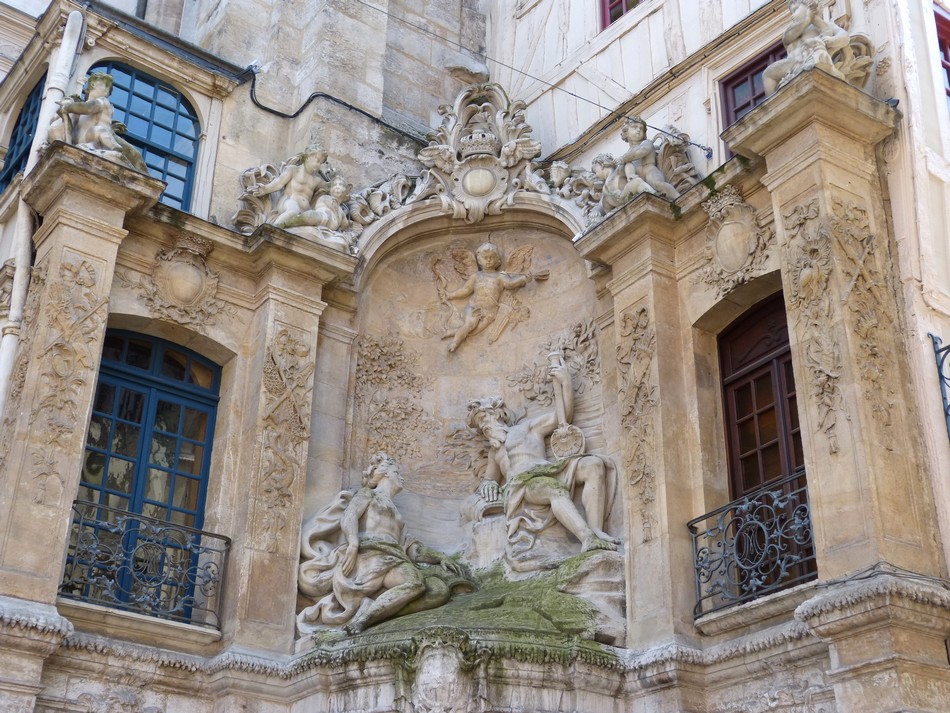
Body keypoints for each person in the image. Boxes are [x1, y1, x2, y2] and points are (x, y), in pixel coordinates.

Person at [297, 452, 472, 635]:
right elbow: (349, 516)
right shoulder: (368, 495)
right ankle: (363, 620)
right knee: (415, 582)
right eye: (398, 473)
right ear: (387, 473)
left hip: (395, 557)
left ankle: (379, 612)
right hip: (371, 554)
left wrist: (440, 556)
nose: (401, 477)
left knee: (439, 590)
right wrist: (353, 544)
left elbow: (413, 549)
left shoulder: (398, 516)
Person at [467, 358, 619, 555]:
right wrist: (488, 484)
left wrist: (565, 383)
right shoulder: (494, 452)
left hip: (548, 470)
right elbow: (488, 479)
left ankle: (597, 529)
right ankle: (587, 538)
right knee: (552, 489)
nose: (483, 426)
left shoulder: (526, 429)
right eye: (480, 425)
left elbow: (561, 417)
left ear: (497, 415)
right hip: (523, 485)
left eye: (484, 419)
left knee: (593, 464)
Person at [439, 242, 534, 353]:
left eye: (491, 258)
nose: (488, 260)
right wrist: (450, 295)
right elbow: (465, 290)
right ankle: (454, 343)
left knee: (473, 331)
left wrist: (523, 279)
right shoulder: (476, 276)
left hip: (490, 312)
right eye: (485, 258)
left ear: (497, 260)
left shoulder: (500, 277)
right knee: (470, 324)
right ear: (479, 260)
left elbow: (510, 283)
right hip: (474, 307)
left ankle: (453, 332)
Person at [49, 72, 147, 172]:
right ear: (93, 84)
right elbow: (61, 126)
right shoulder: (76, 112)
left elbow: (88, 108)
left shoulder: (102, 101)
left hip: (99, 142)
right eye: (106, 86)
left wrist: (69, 106)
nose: (108, 91)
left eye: (109, 89)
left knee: (134, 154)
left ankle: (116, 148)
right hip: (87, 144)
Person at [762, 0, 849, 95]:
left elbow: (844, 37)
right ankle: (773, 106)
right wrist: (808, 18)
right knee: (768, 74)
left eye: (795, 10)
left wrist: (832, 40)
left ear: (808, 6)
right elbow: (787, 38)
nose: (792, 16)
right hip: (792, 65)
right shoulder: (792, 31)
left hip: (814, 59)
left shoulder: (825, 27)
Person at [250, 145, 329, 228]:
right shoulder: (294, 170)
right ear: (308, 157)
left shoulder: (316, 180)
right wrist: (265, 189)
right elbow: (279, 183)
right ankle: (274, 228)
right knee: (293, 211)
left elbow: (327, 187)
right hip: (288, 202)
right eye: (317, 160)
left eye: (321, 163)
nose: (318, 164)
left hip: (305, 210)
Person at [614, 116, 679, 202]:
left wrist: (623, 159)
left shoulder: (647, 143)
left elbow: (641, 152)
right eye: (634, 127)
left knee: (659, 184)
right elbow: (621, 172)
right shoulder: (627, 155)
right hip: (637, 178)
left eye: (641, 128)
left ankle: (679, 199)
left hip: (650, 170)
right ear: (626, 133)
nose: (638, 130)